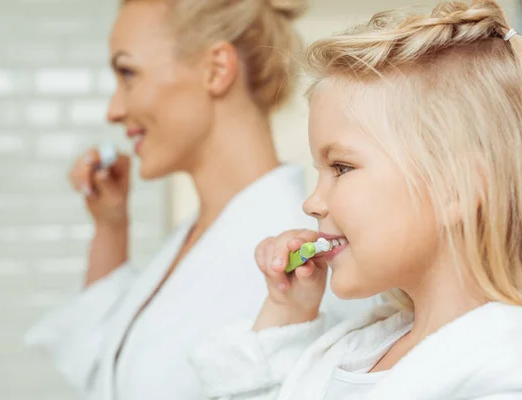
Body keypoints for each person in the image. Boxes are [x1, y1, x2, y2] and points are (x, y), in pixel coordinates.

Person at [24, 0, 382, 399]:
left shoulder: (306, 262)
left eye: (128, 73)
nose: (114, 109)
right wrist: (111, 225)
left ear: (216, 69)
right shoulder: (194, 236)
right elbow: (108, 367)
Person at [190, 1, 522, 398]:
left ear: (454, 188)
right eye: (318, 171)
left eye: (341, 168)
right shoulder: (357, 348)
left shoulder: (500, 371)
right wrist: (288, 311)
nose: (311, 202)